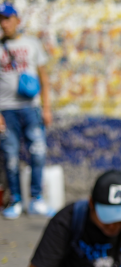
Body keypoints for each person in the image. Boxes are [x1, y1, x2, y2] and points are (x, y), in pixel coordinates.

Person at [0, 3, 53, 219]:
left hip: (31, 108)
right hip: (6, 109)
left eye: (8, 19)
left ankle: (36, 199)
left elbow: (43, 77)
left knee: (38, 153)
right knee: (10, 157)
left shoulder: (32, 44)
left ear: (17, 21)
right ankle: (16, 201)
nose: (4, 23)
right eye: (1, 20)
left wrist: (47, 107)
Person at [30, 170, 121, 267]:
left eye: (120, 220)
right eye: (107, 218)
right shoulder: (67, 220)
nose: (113, 225)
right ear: (91, 204)